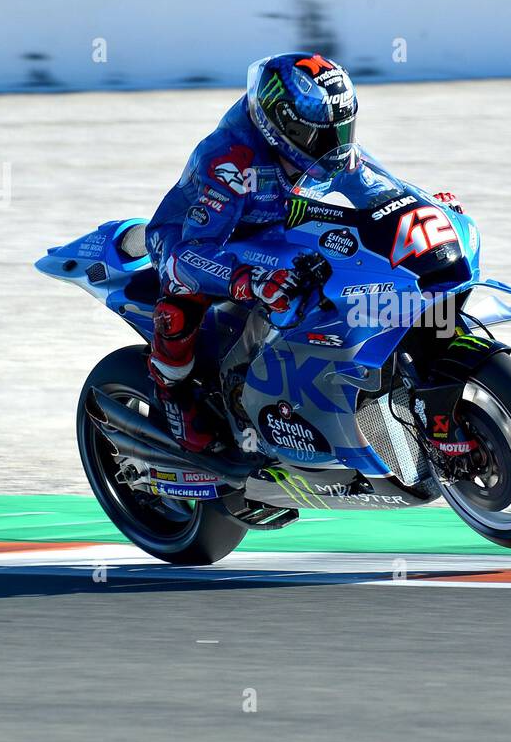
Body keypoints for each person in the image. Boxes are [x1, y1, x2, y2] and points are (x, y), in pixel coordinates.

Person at [143, 53, 360, 453]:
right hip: (197, 242)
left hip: (273, 232)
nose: (335, 147)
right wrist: (246, 279)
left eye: (341, 132)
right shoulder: (230, 159)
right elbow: (193, 252)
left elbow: (369, 183)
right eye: (322, 136)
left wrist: (420, 205)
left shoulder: (325, 147)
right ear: (283, 125)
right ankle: (171, 392)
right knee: (181, 300)